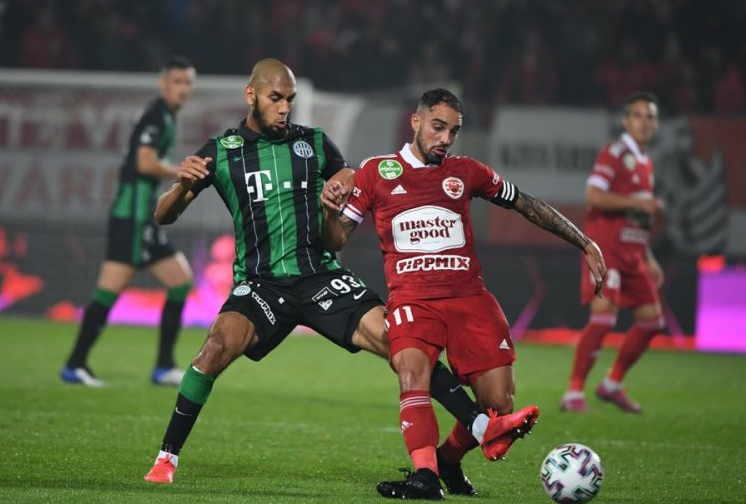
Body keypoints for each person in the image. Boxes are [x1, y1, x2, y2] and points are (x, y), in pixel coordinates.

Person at [143, 59, 532, 489]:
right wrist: (182, 185)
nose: (285, 108)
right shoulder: (221, 150)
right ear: (251, 95)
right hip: (262, 283)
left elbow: (349, 175)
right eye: (276, 98)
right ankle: (166, 457)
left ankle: (479, 427)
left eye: (290, 99)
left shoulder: (313, 142)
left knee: (401, 345)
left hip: (321, 276)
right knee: (214, 348)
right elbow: (163, 215)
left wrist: (341, 182)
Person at [323, 88, 607, 499]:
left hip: (469, 299)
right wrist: (328, 211)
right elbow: (335, 240)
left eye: (453, 131)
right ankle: (424, 476)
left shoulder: (467, 171)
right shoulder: (375, 172)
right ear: (416, 122)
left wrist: (584, 242)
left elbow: (525, 204)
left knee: (500, 405)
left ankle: (447, 461)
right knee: (411, 371)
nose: (445, 139)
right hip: (413, 299)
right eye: (438, 127)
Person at [61, 56, 198, 388]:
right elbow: (144, 163)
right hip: (134, 216)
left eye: (187, 83)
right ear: (163, 84)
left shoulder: (164, 116)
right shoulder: (156, 116)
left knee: (180, 282)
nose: (182, 88)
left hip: (141, 216)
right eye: (176, 81)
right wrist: (179, 171)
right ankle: (75, 364)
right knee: (110, 290)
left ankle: (163, 366)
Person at [560, 91, 665, 414]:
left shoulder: (645, 161)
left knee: (652, 321)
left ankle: (612, 384)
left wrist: (648, 258)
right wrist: (638, 203)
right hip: (606, 251)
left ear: (657, 123)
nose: (644, 122)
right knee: (604, 318)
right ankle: (573, 393)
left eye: (650, 117)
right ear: (625, 120)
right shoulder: (615, 153)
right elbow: (594, 196)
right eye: (638, 115)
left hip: (633, 254)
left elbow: (639, 215)